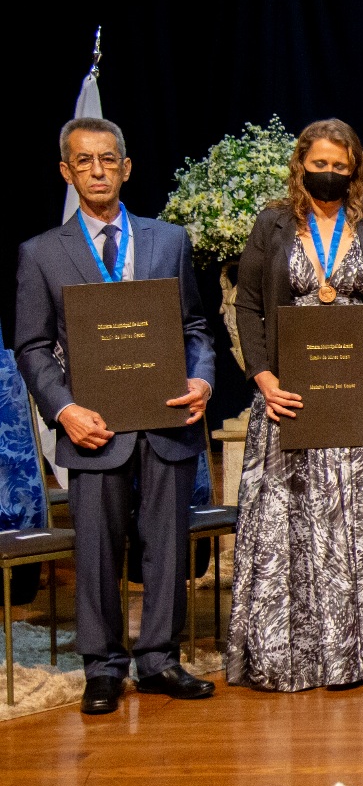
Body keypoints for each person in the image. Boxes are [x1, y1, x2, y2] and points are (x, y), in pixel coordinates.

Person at [14, 117, 217, 714]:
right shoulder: (41, 253)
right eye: (84, 161)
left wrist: (202, 378)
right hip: (93, 425)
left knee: (166, 544)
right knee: (98, 550)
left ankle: (159, 659)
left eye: (108, 160)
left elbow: (197, 327)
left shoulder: (168, 240)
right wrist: (64, 409)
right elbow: (30, 346)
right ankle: (102, 667)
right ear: (66, 172)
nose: (97, 170)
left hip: (164, 418)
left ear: (126, 168)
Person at [227, 118, 363, 692]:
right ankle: (292, 654)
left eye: (341, 166)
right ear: (301, 165)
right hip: (290, 402)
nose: (330, 174)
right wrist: (262, 376)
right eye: (320, 164)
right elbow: (247, 307)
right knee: (288, 529)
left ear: (356, 169)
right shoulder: (272, 225)